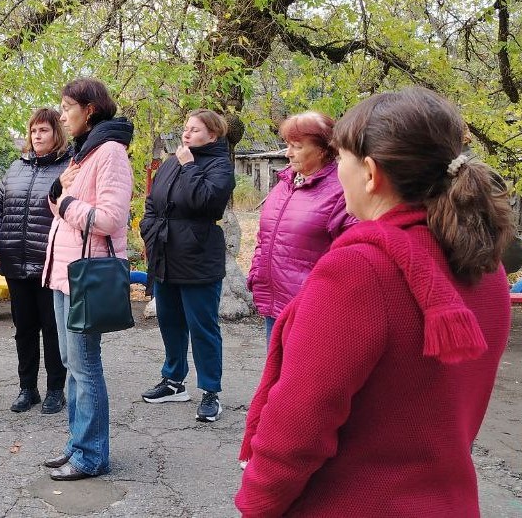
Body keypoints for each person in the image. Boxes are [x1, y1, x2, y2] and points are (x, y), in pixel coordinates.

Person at [235, 87, 514, 516]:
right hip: (449, 502)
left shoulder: (358, 272)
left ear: (369, 172)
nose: (337, 171)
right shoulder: (483, 265)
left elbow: (298, 425)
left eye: (341, 159)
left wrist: (257, 501)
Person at [41, 78, 133, 481]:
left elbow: (110, 219)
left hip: (86, 274)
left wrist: (66, 203)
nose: (62, 115)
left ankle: (91, 454)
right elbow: (61, 204)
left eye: (67, 107)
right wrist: (59, 198)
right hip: (65, 273)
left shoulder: (110, 152)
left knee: (85, 366)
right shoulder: (84, 151)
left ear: (89, 109)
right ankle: (78, 445)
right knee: (70, 362)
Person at [139, 109, 235, 422]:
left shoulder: (220, 165)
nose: (186, 134)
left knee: (202, 326)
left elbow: (207, 202)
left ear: (213, 135)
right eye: (186, 128)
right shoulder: (171, 163)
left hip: (199, 256)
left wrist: (190, 167)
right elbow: (152, 202)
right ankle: (173, 381)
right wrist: (149, 230)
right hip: (165, 253)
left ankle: (210, 391)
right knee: (170, 321)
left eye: (194, 130)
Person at [0, 108, 69, 414]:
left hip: (49, 263)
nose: (37, 136)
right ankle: (27, 389)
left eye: (44, 130)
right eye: (33, 131)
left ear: (56, 133)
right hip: (15, 262)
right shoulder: (16, 167)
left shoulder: (68, 167)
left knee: (52, 328)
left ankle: (55, 390)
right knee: (24, 329)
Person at [247, 111, 352, 347]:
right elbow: (264, 237)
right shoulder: (284, 184)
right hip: (274, 305)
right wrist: (256, 274)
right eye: (287, 145)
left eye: (297, 146)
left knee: (304, 379)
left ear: (324, 149)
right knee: (276, 377)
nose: (288, 153)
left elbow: (348, 256)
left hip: (311, 310)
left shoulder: (341, 191)